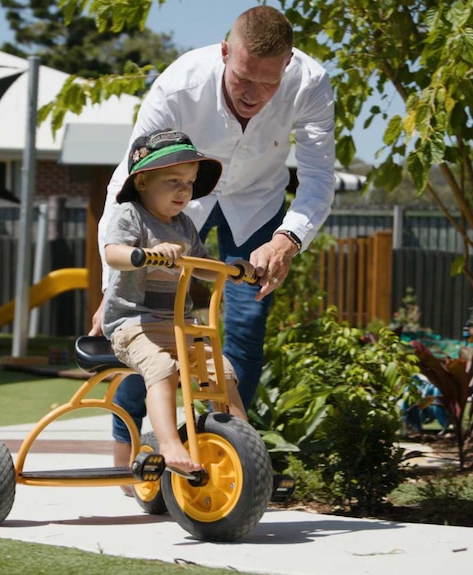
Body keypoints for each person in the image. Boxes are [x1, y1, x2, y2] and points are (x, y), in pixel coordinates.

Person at [93, 6, 337, 470]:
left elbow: (319, 177)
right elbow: (129, 179)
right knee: (148, 322)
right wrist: (113, 286)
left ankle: (228, 459)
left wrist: (289, 238)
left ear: (287, 66)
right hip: (179, 204)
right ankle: (126, 452)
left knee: (244, 331)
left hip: (259, 204)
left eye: (269, 84)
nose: (254, 95)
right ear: (226, 53)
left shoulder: (311, 83)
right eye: (244, 78)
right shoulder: (179, 84)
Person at [102, 128, 252, 473]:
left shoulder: (184, 225)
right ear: (142, 182)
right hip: (133, 324)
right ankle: (170, 445)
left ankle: (245, 447)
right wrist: (146, 253)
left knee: (223, 372)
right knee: (162, 368)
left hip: (179, 325)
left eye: (189, 182)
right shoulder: (131, 215)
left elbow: (205, 268)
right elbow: (113, 253)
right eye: (173, 181)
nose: (183, 190)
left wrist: (232, 270)